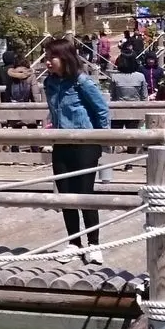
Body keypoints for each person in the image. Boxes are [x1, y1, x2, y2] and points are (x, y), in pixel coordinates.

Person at [42, 37, 111, 263]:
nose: (47, 62)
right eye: (46, 57)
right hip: (61, 144)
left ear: (64, 58)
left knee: (85, 194)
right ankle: (74, 242)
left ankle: (94, 243)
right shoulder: (49, 83)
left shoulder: (82, 82)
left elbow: (101, 111)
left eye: (51, 57)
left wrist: (100, 140)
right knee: (65, 196)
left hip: (85, 145)